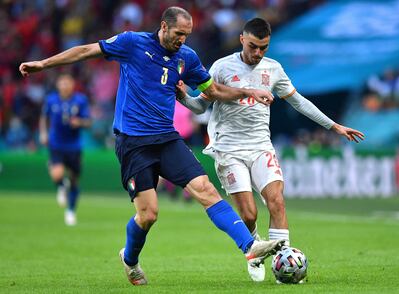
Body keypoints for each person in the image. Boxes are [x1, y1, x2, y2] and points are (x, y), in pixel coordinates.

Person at [19, 7, 284, 286]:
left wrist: (248, 92)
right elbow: (86, 50)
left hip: (166, 138)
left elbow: (212, 91)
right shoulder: (132, 43)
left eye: (187, 34)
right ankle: (130, 259)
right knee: (148, 214)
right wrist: (44, 64)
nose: (183, 39)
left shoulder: (187, 58)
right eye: (179, 33)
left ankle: (248, 246)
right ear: (164, 27)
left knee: (205, 188)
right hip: (133, 143)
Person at [176, 17, 365, 282]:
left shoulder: (273, 69)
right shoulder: (221, 67)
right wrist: (184, 96)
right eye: (253, 46)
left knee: (277, 201)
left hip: (261, 146)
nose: (257, 53)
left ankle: (284, 265)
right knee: (249, 214)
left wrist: (333, 126)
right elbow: (200, 107)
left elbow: (299, 102)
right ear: (242, 39)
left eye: (263, 48)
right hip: (228, 149)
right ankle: (253, 251)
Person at [39, 73, 91, 226]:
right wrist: (43, 133)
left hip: (74, 146)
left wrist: (79, 122)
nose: (65, 86)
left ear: (72, 85)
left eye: (68, 83)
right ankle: (62, 186)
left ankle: (71, 211)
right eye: (62, 83)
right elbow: (44, 117)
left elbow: (88, 122)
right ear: (58, 85)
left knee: (75, 180)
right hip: (56, 144)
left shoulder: (80, 100)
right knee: (57, 174)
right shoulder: (51, 100)